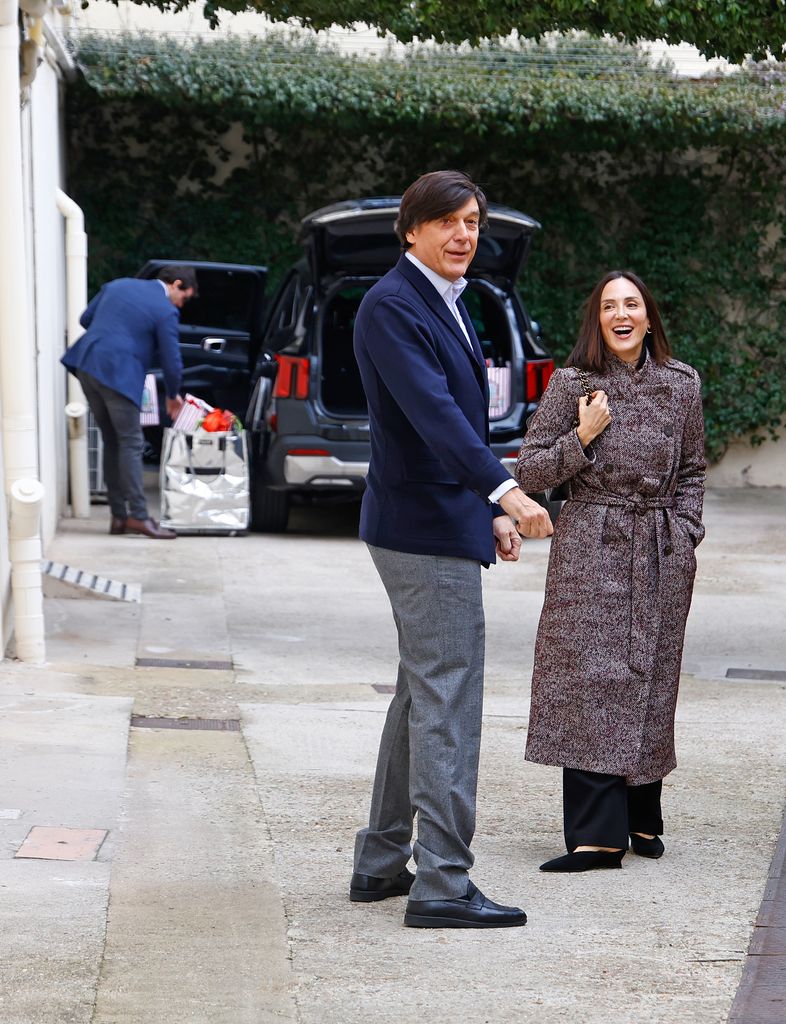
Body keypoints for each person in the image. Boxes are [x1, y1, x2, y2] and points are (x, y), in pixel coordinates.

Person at [350, 170, 553, 928]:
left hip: (435, 521)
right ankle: (442, 883)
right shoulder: (394, 306)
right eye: (447, 222)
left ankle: (379, 862)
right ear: (412, 230)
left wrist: (482, 512)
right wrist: (506, 494)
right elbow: (437, 419)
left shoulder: (445, 301)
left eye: (472, 221)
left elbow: (450, 427)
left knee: (420, 693)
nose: (464, 234)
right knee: (448, 701)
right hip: (418, 532)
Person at [514, 269, 705, 872]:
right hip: (591, 542)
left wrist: (686, 532)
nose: (620, 315)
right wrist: (581, 435)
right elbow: (529, 472)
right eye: (607, 307)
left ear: (649, 315)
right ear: (596, 321)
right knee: (590, 681)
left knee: (650, 679)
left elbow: (694, 471)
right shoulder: (573, 382)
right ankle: (597, 836)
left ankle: (642, 823)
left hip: (660, 546)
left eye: (631, 304)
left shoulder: (681, 384)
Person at [62, 266, 196, 539]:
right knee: (132, 442)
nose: (182, 304)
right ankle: (138, 516)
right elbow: (172, 361)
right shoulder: (165, 309)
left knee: (113, 442)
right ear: (176, 284)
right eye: (185, 298)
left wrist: (116, 331)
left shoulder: (118, 284)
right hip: (118, 372)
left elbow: (86, 318)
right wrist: (173, 395)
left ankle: (118, 518)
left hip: (87, 365)